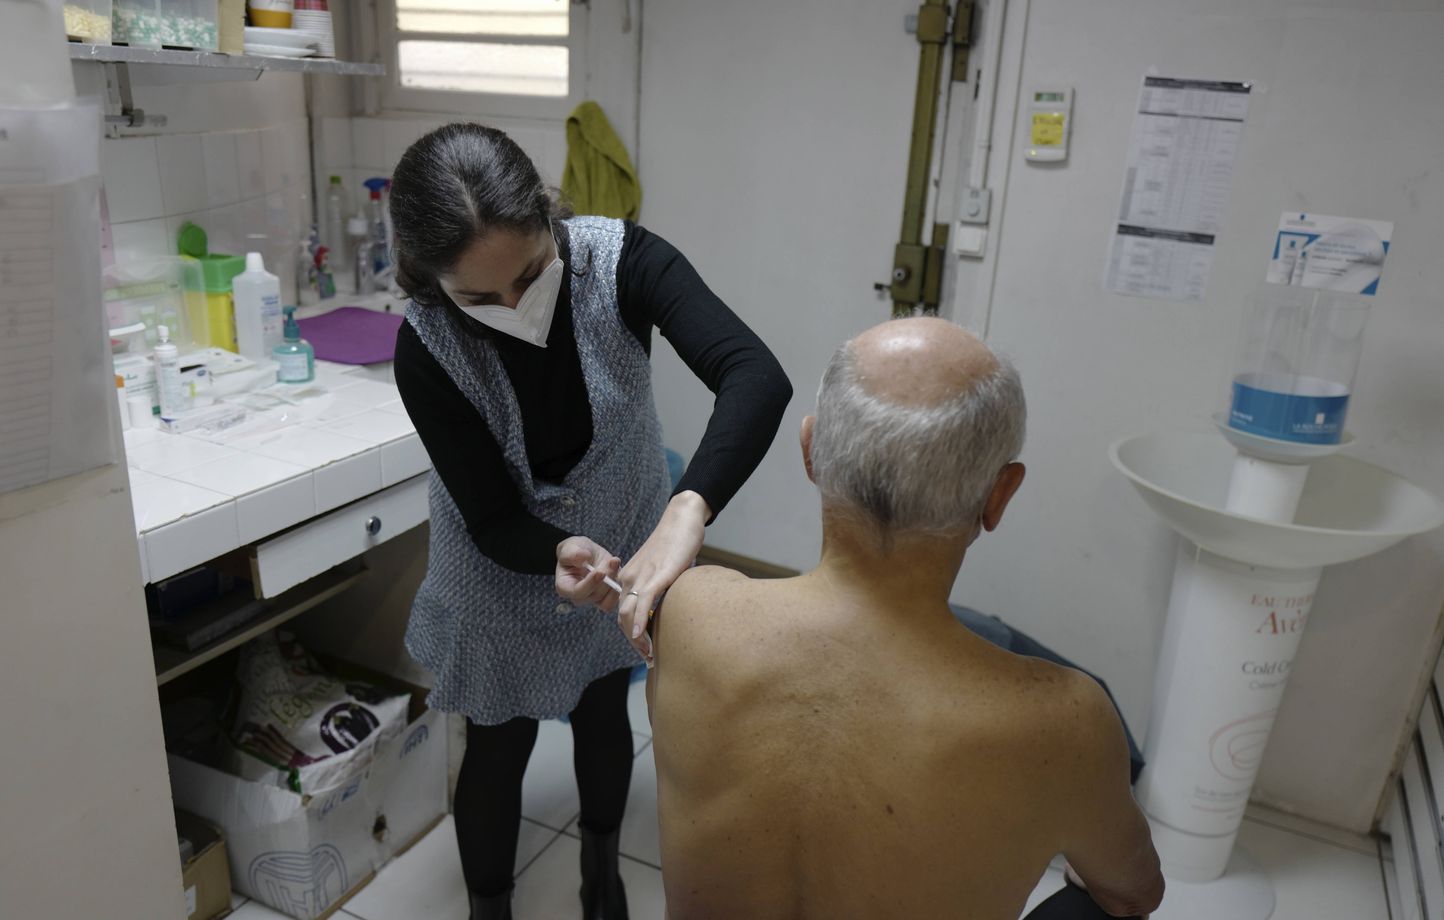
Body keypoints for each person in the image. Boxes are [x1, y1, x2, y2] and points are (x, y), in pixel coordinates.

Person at [390, 123, 792, 920]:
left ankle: (600, 876)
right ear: (431, 280)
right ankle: (489, 908)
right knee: (498, 737)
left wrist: (687, 508)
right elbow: (496, 516)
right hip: (495, 561)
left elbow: (755, 375)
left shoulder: (622, 262)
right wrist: (555, 548)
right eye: (479, 297)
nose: (515, 306)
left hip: (629, 530)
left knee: (605, 707)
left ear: (550, 217)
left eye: (533, 273)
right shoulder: (426, 347)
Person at [645, 318, 1164, 919]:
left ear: (810, 451)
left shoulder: (689, 613)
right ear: (1000, 495)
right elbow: (1136, 891)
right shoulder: (1069, 722)